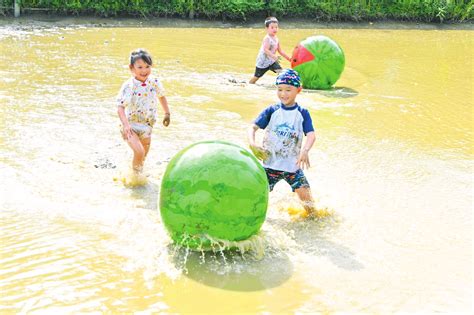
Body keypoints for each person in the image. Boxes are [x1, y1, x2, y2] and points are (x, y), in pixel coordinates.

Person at [248, 69, 317, 218]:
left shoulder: (302, 113)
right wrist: (252, 144)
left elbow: (311, 134)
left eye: (288, 90)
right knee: (253, 202)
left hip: (292, 167)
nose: (283, 94)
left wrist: (305, 150)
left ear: (298, 90)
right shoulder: (272, 110)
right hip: (268, 166)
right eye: (279, 89)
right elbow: (252, 127)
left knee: (310, 206)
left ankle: (314, 228)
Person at [117, 48, 170, 176]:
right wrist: (126, 125)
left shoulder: (154, 82)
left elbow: (161, 96)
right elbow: (120, 107)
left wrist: (167, 113)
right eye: (140, 67)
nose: (144, 70)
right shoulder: (129, 86)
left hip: (147, 125)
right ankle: (135, 181)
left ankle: (136, 178)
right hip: (131, 126)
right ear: (131, 68)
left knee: (142, 158)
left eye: (147, 66)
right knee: (139, 152)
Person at [249, 16, 291, 84]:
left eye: (276, 27)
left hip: (272, 62)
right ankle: (249, 85)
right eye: (272, 27)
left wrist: (289, 58)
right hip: (262, 63)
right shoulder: (267, 38)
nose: (275, 29)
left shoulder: (276, 39)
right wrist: (274, 56)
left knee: (281, 72)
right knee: (256, 77)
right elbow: (266, 49)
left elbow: (280, 51)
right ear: (267, 28)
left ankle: (282, 85)